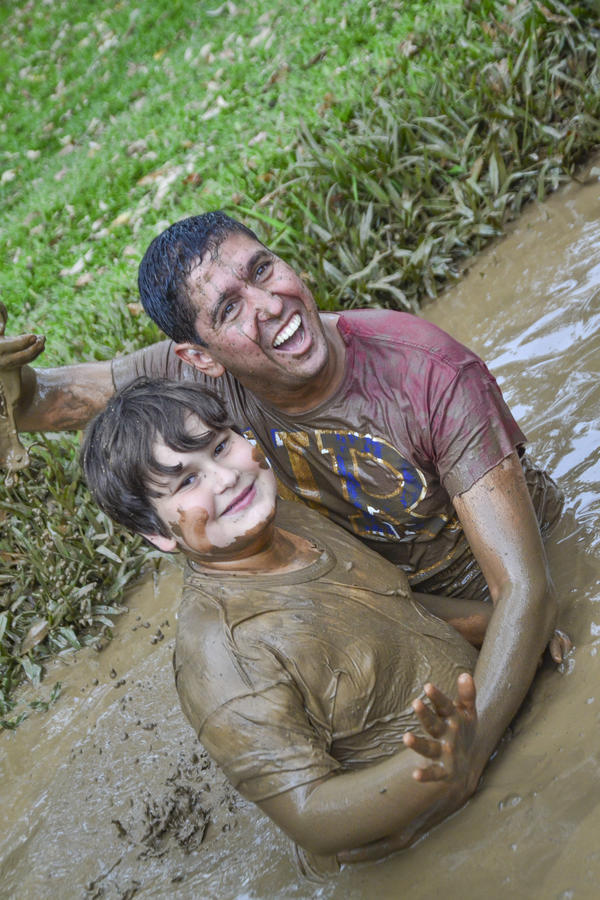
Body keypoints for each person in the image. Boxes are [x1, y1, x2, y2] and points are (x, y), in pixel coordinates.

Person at [1, 211, 569, 809]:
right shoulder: (198, 383)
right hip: (372, 597)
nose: (269, 304)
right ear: (199, 358)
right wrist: (13, 384)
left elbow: (526, 592)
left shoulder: (428, 374)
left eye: (263, 269)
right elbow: (47, 402)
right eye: (229, 309)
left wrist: (469, 750)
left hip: (507, 570)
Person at [81, 376, 490, 871]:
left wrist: (506, 626)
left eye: (220, 446)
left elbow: (396, 608)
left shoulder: (283, 518)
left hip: (477, 734)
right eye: (186, 481)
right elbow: (313, 821)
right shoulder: (224, 654)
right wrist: (439, 765)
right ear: (156, 532)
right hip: (429, 839)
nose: (224, 478)